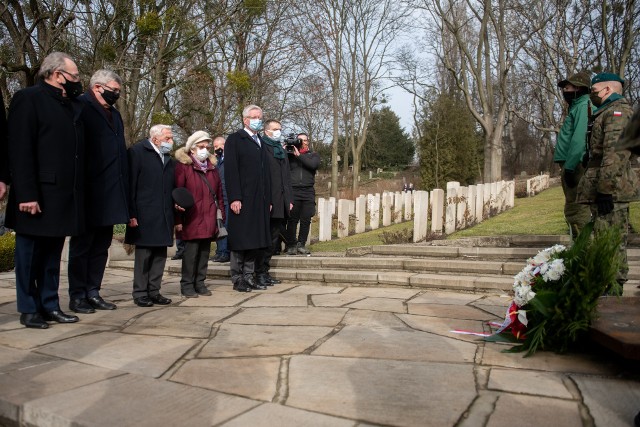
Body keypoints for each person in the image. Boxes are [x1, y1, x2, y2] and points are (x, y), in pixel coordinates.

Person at [6, 52, 85, 328]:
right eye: (74, 76)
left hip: (62, 195)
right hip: (36, 194)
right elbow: (20, 149)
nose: (78, 81)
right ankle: (29, 309)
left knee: (52, 256)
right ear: (56, 74)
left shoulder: (71, 105)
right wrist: (27, 194)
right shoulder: (29, 99)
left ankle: (50, 304)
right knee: (29, 256)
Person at [67, 70, 128, 314]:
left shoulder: (114, 114)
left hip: (110, 191)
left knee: (101, 246)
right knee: (82, 246)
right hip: (88, 190)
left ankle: (93, 291)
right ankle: (77, 295)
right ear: (98, 87)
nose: (117, 94)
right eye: (114, 89)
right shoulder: (80, 107)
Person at [576, 72, 635, 288]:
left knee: (610, 244)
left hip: (611, 192)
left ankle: (612, 294)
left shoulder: (618, 113)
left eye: (593, 92)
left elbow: (616, 153)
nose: (591, 96)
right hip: (603, 188)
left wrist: (605, 190)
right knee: (603, 241)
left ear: (607, 90)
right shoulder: (606, 112)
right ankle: (606, 291)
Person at [125, 124, 177, 307]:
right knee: (144, 254)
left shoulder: (167, 158)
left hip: (164, 213)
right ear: (155, 139)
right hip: (144, 212)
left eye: (171, 138)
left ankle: (154, 290)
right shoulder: (138, 152)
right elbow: (130, 184)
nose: (171, 142)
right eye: (167, 138)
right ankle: (140, 292)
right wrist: (131, 213)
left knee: (160, 254)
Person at [224, 105, 271, 292]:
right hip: (242, 198)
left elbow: (265, 173)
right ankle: (237, 277)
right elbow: (231, 170)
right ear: (245, 120)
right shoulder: (235, 139)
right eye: (253, 117)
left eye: (259, 116)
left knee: (255, 239)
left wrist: (268, 200)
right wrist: (235, 197)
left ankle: (249, 276)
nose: (257, 119)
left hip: (259, 200)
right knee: (241, 239)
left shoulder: (261, 141)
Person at [174, 131, 225, 297]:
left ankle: (200, 282)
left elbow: (219, 194)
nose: (205, 150)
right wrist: (178, 219)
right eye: (201, 146)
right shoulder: (184, 167)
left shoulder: (212, 168)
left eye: (207, 146)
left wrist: (221, 216)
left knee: (204, 252)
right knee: (190, 253)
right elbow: (178, 194)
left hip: (209, 216)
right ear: (192, 148)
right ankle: (187, 284)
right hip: (191, 217)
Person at [554, 71, 592, 239]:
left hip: (575, 165)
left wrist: (569, 167)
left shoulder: (584, 106)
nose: (565, 91)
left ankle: (583, 250)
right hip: (572, 164)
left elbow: (579, 138)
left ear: (579, 88)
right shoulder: (577, 106)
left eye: (568, 87)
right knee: (574, 207)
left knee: (576, 209)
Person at [255, 119, 293, 287]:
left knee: (273, 238)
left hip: (281, 200)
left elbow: (286, 177)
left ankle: (265, 271)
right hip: (268, 200)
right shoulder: (262, 147)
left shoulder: (281, 150)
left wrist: (289, 199)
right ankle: (258, 273)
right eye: (275, 129)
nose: (278, 132)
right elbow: (262, 177)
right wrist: (267, 199)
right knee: (264, 239)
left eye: (280, 129)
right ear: (267, 131)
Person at [285, 132, 319, 255]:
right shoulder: (289, 155)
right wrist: (285, 151)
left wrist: (299, 155)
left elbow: (313, 165)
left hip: (308, 191)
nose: (303, 142)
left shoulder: (313, 155)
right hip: (293, 191)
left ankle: (301, 244)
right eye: (300, 140)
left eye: (305, 140)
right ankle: (291, 245)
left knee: (306, 219)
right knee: (292, 220)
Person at [211, 136, 230, 263]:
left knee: (225, 225)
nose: (218, 149)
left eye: (220, 146)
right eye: (215, 147)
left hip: (227, 197)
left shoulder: (229, 159)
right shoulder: (214, 161)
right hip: (217, 198)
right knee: (218, 225)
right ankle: (219, 251)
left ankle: (225, 252)